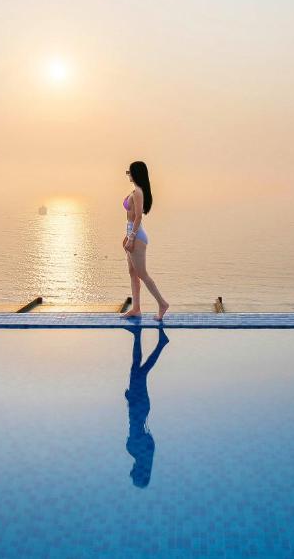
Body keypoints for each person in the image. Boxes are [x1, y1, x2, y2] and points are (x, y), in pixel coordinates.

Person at [121, 161, 169, 320]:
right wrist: (127, 236)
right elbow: (130, 217)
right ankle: (136, 308)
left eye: (130, 172)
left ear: (136, 173)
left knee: (142, 274)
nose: (128, 174)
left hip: (138, 237)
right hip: (132, 235)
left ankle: (162, 304)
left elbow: (139, 216)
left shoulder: (138, 193)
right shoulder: (135, 191)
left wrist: (132, 238)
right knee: (132, 273)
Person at [125, 326, 168, 487]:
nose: (130, 473)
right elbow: (138, 428)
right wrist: (133, 402)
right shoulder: (140, 453)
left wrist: (129, 401)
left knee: (137, 369)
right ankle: (158, 342)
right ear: (140, 473)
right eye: (133, 475)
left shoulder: (140, 453)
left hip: (138, 406)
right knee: (139, 371)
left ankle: (140, 336)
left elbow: (135, 425)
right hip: (139, 406)